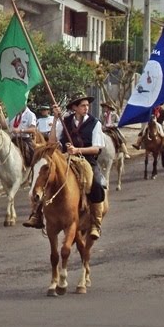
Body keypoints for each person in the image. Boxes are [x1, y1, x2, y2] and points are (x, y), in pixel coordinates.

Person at [24, 93, 106, 241]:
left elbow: (96, 148)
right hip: (64, 158)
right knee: (45, 180)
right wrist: (55, 119)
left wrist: (77, 150)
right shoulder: (65, 121)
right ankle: (37, 214)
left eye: (87, 105)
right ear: (74, 108)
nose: (86, 108)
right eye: (82, 105)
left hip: (86, 159)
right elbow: (53, 141)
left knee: (97, 185)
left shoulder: (95, 123)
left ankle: (96, 223)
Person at [0, 102, 37, 187]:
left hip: (25, 139)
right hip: (13, 140)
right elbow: (4, 125)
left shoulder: (30, 115)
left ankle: (32, 176)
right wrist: (0, 112)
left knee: (32, 155)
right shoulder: (13, 114)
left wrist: (20, 130)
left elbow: (33, 129)